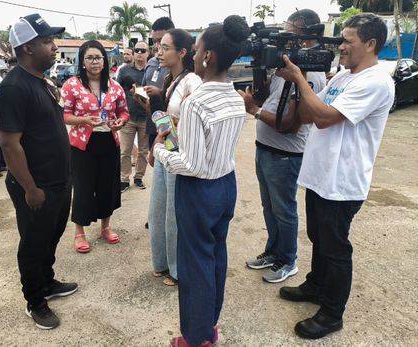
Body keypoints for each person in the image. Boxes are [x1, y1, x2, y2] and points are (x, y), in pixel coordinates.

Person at [275, 13, 394, 339]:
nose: (340, 46)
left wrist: (300, 78)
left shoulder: (376, 81)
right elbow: (309, 113)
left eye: (348, 41)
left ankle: (331, 313)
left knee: (335, 247)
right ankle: (316, 285)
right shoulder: (343, 76)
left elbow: (324, 117)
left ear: (370, 44)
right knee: (318, 237)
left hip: (342, 182)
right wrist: (299, 85)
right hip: (321, 176)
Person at [154, 15, 249, 346]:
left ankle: (196, 339)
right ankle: (209, 326)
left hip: (199, 191)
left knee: (195, 266)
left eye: (196, 50)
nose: (193, 55)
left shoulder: (196, 102)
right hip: (225, 184)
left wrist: (160, 150)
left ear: (207, 56)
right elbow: (207, 150)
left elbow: (190, 162)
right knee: (215, 258)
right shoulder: (235, 96)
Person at [0, 14, 78, 330]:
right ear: (27, 47)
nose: (54, 46)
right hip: (35, 185)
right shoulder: (13, 87)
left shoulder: (41, 81)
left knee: (52, 235)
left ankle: (47, 281)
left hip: (58, 181)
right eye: (47, 41)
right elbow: (9, 145)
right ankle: (35, 301)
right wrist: (30, 188)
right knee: (33, 242)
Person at [241, 9, 327, 283]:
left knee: (283, 209)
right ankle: (273, 251)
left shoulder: (309, 73)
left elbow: (290, 123)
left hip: (285, 155)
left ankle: (288, 260)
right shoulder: (285, 63)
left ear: (303, 35)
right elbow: (269, 97)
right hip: (265, 147)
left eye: (288, 30)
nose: (281, 36)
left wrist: (254, 109)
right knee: (270, 207)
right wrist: (260, 71)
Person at [61, 40, 129, 253]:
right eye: (89, 58)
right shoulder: (71, 85)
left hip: (109, 141)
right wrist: (84, 120)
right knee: (82, 187)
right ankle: (79, 232)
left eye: (98, 57)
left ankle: (105, 227)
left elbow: (123, 111)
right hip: (83, 145)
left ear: (104, 60)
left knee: (107, 186)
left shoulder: (114, 86)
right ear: (82, 61)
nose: (95, 62)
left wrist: (122, 121)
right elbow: (64, 115)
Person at [147, 29, 202, 287]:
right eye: (159, 46)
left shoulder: (193, 81)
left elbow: (196, 122)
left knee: (174, 215)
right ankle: (161, 262)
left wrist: (176, 122)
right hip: (164, 151)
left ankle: (178, 269)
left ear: (181, 52)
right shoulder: (171, 78)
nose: (159, 51)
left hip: (179, 156)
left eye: (165, 47)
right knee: (158, 210)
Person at [117, 41, 150, 191]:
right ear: (133, 52)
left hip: (145, 117)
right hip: (128, 117)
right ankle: (124, 179)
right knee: (125, 151)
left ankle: (139, 178)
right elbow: (117, 91)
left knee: (143, 151)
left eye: (143, 51)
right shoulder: (124, 71)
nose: (140, 53)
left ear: (148, 53)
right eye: (137, 50)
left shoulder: (151, 71)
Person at [142, 17, 175, 149]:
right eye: (154, 41)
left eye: (160, 40)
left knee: (171, 156)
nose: (157, 45)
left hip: (171, 126)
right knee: (156, 161)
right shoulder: (150, 63)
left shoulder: (181, 68)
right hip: (153, 123)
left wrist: (160, 92)